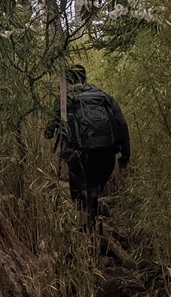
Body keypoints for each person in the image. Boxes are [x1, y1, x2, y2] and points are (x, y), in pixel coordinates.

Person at [45, 64, 130, 219]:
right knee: (94, 191)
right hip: (106, 152)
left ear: (69, 80)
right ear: (85, 78)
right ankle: (93, 218)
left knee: (80, 195)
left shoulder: (65, 99)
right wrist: (125, 157)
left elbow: (50, 131)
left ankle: (85, 226)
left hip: (79, 154)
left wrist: (49, 132)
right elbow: (122, 125)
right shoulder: (104, 96)